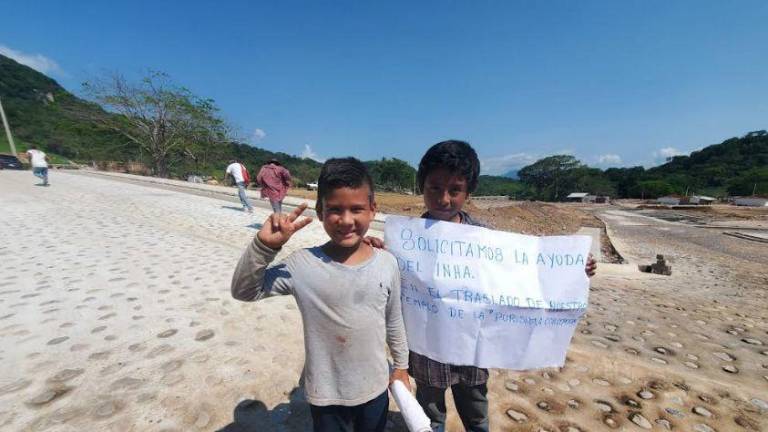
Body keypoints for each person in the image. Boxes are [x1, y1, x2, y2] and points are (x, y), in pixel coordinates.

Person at [369, 140, 597, 432]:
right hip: (427, 356)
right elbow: (389, 280)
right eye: (434, 188)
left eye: (455, 190)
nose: (444, 198)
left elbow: (523, 274)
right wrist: (376, 252)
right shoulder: (405, 240)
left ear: (469, 192)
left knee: (477, 415)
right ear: (421, 186)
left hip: (474, 355)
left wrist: (575, 268)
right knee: (431, 417)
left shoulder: (485, 239)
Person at [231, 157, 410, 432]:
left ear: (373, 210)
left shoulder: (387, 263)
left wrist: (400, 366)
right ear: (320, 211)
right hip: (325, 393)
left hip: (374, 387)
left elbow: (394, 319)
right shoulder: (302, 264)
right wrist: (263, 247)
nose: (346, 220)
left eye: (357, 209)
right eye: (335, 209)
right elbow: (245, 291)